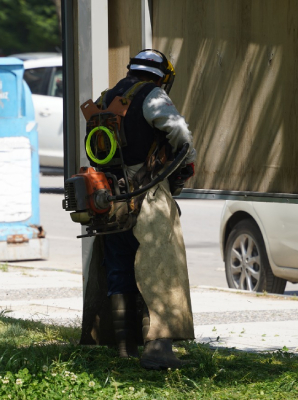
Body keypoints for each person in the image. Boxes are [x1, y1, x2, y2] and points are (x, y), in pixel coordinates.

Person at [93, 49, 196, 369]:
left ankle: (124, 349)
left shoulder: (106, 97)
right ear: (162, 76)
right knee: (161, 267)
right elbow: (181, 134)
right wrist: (184, 163)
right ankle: (158, 349)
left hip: (111, 197)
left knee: (119, 268)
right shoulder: (153, 95)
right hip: (147, 195)